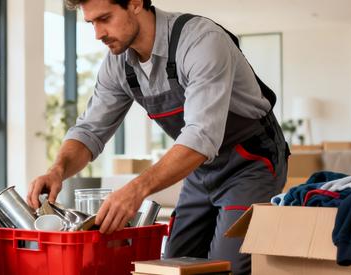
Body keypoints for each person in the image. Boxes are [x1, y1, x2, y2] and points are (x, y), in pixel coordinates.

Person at [27, 0, 289, 273]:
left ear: (136, 3)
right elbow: (89, 131)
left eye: (105, 18)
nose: (98, 34)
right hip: (200, 169)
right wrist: (57, 170)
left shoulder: (201, 41)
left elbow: (201, 135)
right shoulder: (118, 64)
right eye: (92, 23)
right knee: (173, 265)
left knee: (229, 266)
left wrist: (136, 190)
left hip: (250, 163)